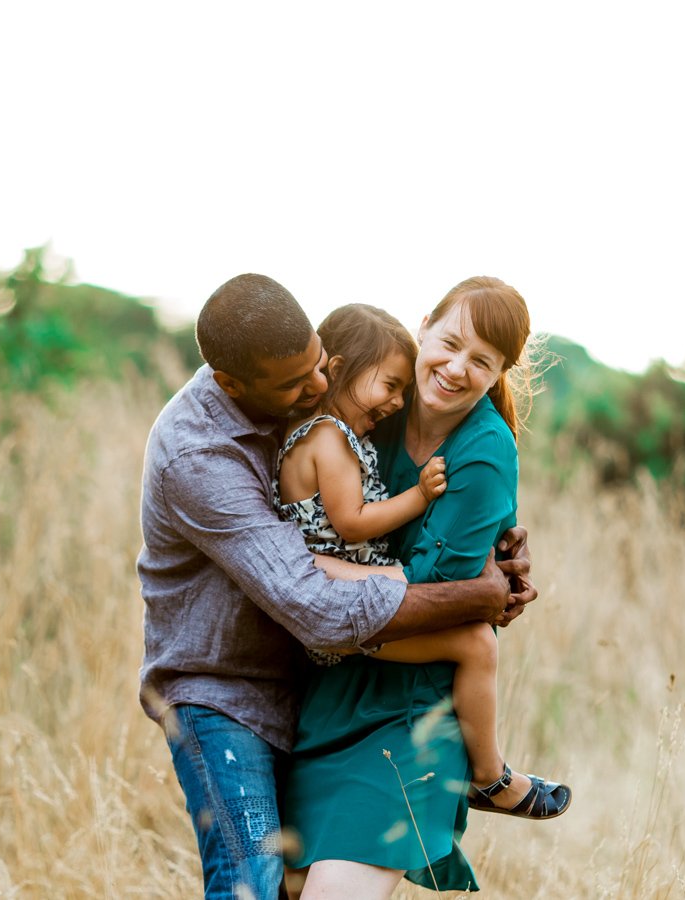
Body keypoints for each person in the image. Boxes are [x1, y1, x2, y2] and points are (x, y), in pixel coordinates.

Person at [137, 273, 539, 900]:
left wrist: (496, 544)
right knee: (250, 883)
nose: (319, 389)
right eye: (299, 383)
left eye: (320, 367)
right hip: (226, 695)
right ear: (233, 386)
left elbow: (450, 507)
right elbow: (312, 604)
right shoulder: (200, 458)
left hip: (317, 687)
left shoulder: (343, 392)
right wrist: (475, 598)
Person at [280, 276, 566, 898]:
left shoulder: (485, 451)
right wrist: (300, 591)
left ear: (498, 375)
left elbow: (431, 600)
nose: (457, 368)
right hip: (324, 700)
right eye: (451, 342)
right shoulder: (379, 397)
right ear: (425, 327)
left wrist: (309, 594)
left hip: (408, 711)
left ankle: (488, 777)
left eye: (481, 362)